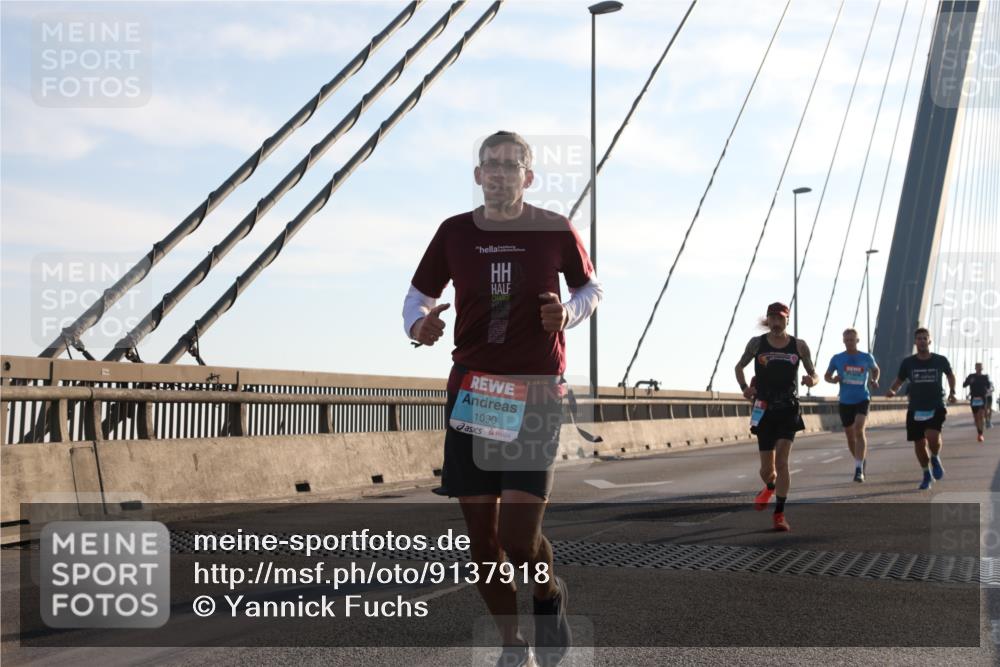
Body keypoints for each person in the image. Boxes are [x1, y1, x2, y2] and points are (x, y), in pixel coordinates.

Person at [404, 131, 603, 667]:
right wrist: (417, 327)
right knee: (484, 546)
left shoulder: (553, 229)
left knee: (520, 541)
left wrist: (568, 313)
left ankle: (547, 592)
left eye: (511, 165)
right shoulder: (454, 232)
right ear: (477, 175)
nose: (499, 173)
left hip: (535, 392)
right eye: (490, 164)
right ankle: (512, 645)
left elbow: (590, 289)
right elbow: (418, 296)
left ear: (528, 177)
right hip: (472, 391)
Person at [735, 302, 819, 532]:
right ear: (768, 320)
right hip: (764, 408)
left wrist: (811, 380)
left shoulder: (798, 346)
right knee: (766, 470)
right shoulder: (757, 344)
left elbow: (814, 373)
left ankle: (779, 513)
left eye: (780, 318)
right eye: (772, 318)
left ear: (787, 320)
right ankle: (770, 486)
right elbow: (738, 367)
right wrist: (745, 388)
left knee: (782, 462)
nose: (776, 322)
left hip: (788, 408)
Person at [886, 328, 957, 489]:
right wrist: (892, 390)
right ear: (915, 342)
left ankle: (936, 457)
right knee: (919, 444)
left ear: (930, 341)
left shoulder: (940, 360)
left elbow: (950, 375)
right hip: (915, 408)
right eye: (919, 338)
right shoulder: (908, 363)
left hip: (936, 405)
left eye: (925, 338)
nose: (922, 341)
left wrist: (952, 392)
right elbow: (899, 380)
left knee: (932, 438)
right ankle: (926, 474)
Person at [824, 328, 880, 482]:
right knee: (850, 436)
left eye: (852, 340)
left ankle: (858, 469)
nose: (850, 342)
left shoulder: (866, 357)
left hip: (862, 398)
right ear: (843, 341)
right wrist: (833, 379)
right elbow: (826, 376)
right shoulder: (837, 358)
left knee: (858, 429)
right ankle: (859, 460)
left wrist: (875, 380)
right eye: (847, 340)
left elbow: (876, 370)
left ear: (857, 341)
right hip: (845, 401)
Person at [962, 362, 992, 442]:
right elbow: (964, 385)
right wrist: (969, 382)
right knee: (976, 418)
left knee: (981, 416)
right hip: (974, 399)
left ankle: (980, 434)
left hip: (982, 398)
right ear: (975, 368)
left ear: (982, 368)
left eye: (980, 367)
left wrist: (988, 386)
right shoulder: (971, 376)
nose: (979, 368)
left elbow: (989, 386)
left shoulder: (985, 377)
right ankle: (979, 431)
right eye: (977, 367)